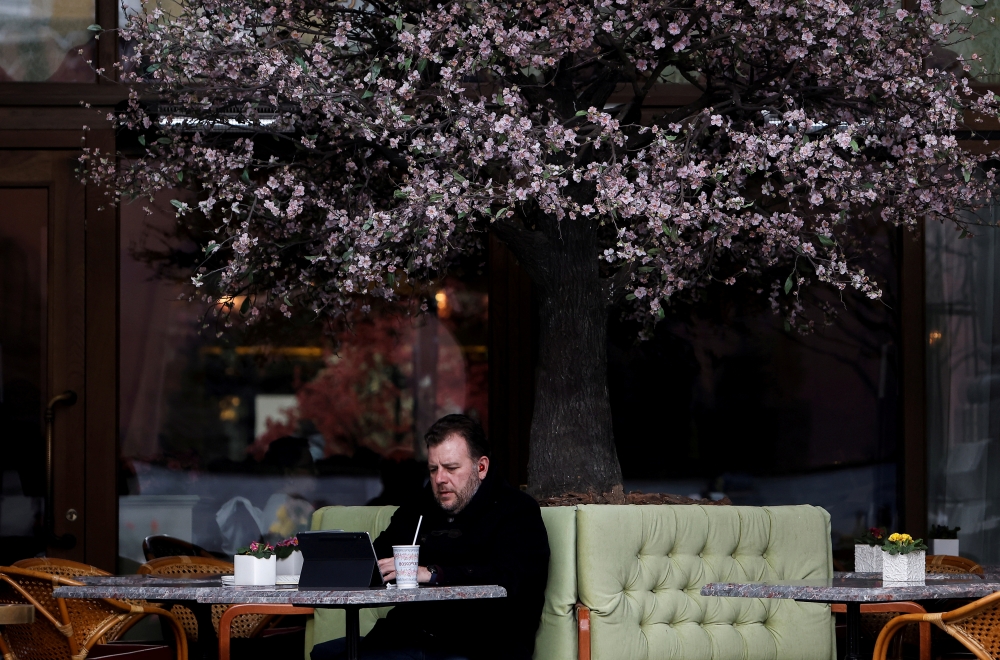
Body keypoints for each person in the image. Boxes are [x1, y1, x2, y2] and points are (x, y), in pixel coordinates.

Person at [311, 414, 550, 660]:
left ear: (481, 467)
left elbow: (509, 578)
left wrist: (432, 573)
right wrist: (343, 562)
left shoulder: (516, 511)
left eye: (451, 468)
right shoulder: (420, 508)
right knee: (327, 654)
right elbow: (378, 555)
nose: (439, 479)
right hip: (409, 636)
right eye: (433, 469)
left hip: (480, 644)